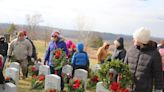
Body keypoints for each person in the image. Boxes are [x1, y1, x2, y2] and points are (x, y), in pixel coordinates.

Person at [124, 27, 163, 92]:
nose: (133, 40)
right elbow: (124, 67)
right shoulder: (131, 50)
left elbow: (158, 74)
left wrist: (158, 89)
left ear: (141, 40)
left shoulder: (154, 54)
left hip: (144, 89)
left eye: (135, 38)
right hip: (128, 88)